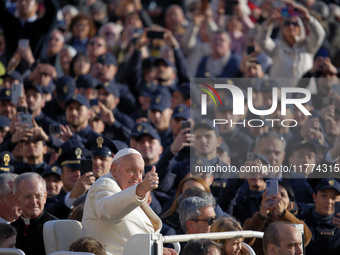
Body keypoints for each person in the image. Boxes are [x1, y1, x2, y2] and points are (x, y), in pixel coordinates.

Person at [82, 148, 170, 255]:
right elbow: (109, 212)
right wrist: (141, 189)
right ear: (114, 170)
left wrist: (155, 249)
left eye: (141, 172)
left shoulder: (129, 191)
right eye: (132, 170)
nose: (137, 177)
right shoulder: (104, 184)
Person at [243, 181, 312, 255]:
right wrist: (261, 216)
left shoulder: (295, 221)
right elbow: (244, 242)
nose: (276, 198)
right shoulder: (256, 221)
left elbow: (305, 237)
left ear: (291, 205)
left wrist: (283, 214)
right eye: (271, 194)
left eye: (282, 195)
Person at [11, 172, 58, 255]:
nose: (34, 202)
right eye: (27, 196)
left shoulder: (57, 228)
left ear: (45, 197)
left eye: (38, 196)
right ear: (16, 199)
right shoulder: (10, 230)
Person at [297, 178, 340, 255]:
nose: (329, 201)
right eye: (324, 195)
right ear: (314, 197)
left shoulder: (338, 225)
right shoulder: (300, 221)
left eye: (334, 198)